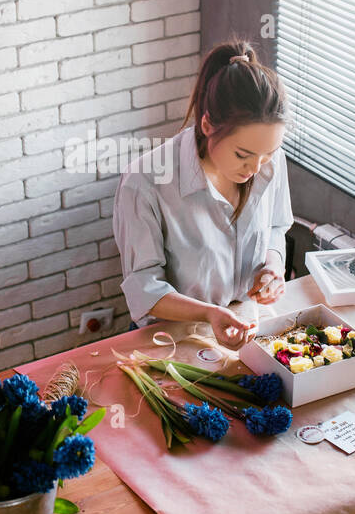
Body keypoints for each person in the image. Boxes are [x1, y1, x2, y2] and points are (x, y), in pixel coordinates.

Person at [112, 37, 293, 350]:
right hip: (171, 340)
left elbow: (277, 227)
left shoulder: (268, 160)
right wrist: (210, 314)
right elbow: (143, 287)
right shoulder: (144, 184)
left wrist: (273, 269)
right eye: (242, 154)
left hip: (247, 322)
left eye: (268, 153)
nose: (256, 167)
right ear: (208, 124)